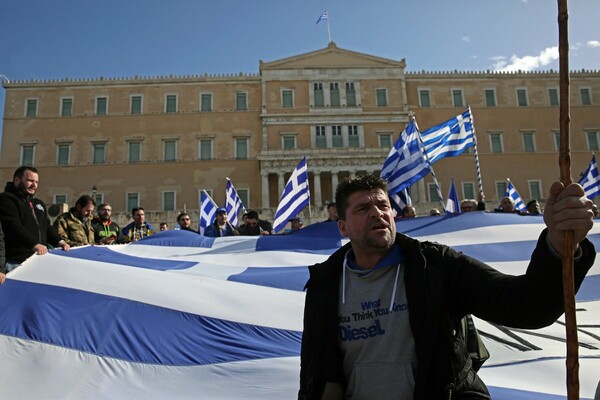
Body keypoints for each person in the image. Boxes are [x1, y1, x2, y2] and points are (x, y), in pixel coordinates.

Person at [298, 174, 595, 399]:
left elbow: (525, 306)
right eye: (363, 208)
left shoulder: (436, 266)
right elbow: (313, 373)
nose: (377, 213)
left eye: (383, 205)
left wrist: (558, 246)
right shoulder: (325, 285)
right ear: (343, 226)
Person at [0, 166, 70, 272]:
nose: (34, 185)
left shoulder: (38, 203)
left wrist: (60, 241)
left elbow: (46, 226)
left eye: (36, 182)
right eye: (30, 181)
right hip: (16, 261)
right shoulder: (6, 199)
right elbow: (13, 226)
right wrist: (34, 244)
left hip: (38, 259)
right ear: (17, 180)